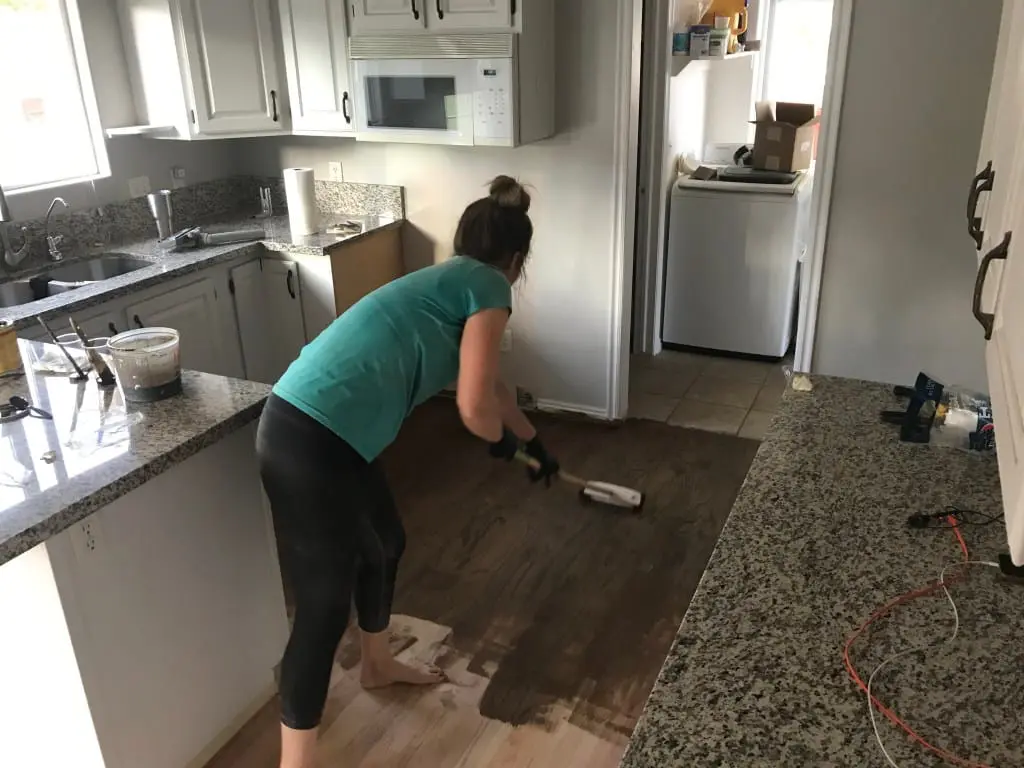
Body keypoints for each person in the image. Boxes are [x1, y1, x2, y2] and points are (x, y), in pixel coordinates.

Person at [255, 175, 560, 768]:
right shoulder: (490, 287)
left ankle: (376, 664)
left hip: (321, 431)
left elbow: (491, 388)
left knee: (384, 542)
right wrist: (504, 445)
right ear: (517, 259)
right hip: (310, 438)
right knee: (323, 605)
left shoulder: (453, 280)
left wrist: (532, 442)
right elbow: (473, 407)